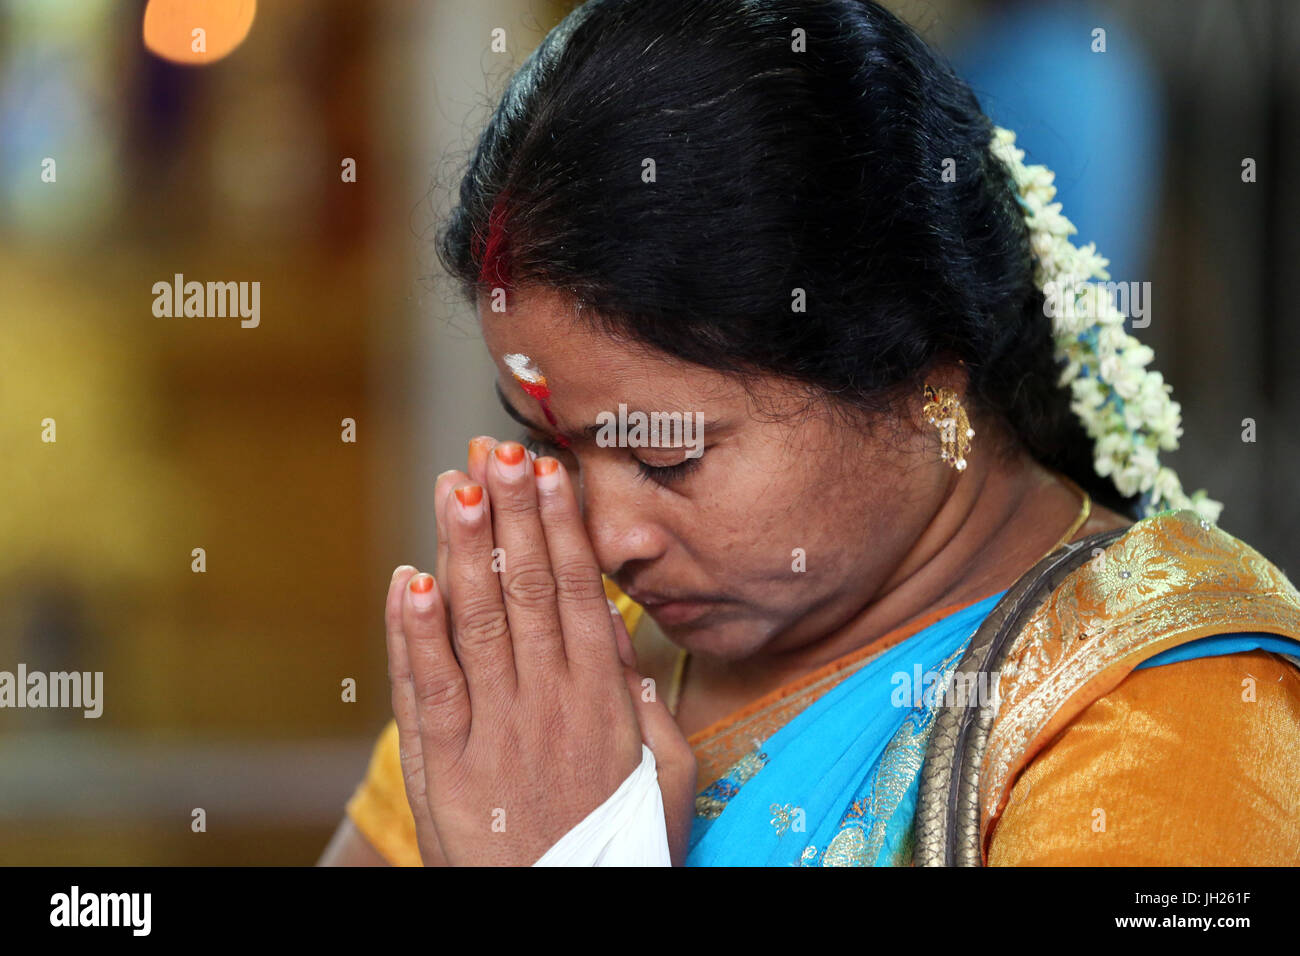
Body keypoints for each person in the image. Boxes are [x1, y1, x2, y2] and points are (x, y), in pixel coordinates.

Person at [318, 0, 1300, 867]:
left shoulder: (1165, 714)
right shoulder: (564, 677)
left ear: (925, 374)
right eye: (558, 448)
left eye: (668, 454)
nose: (609, 538)